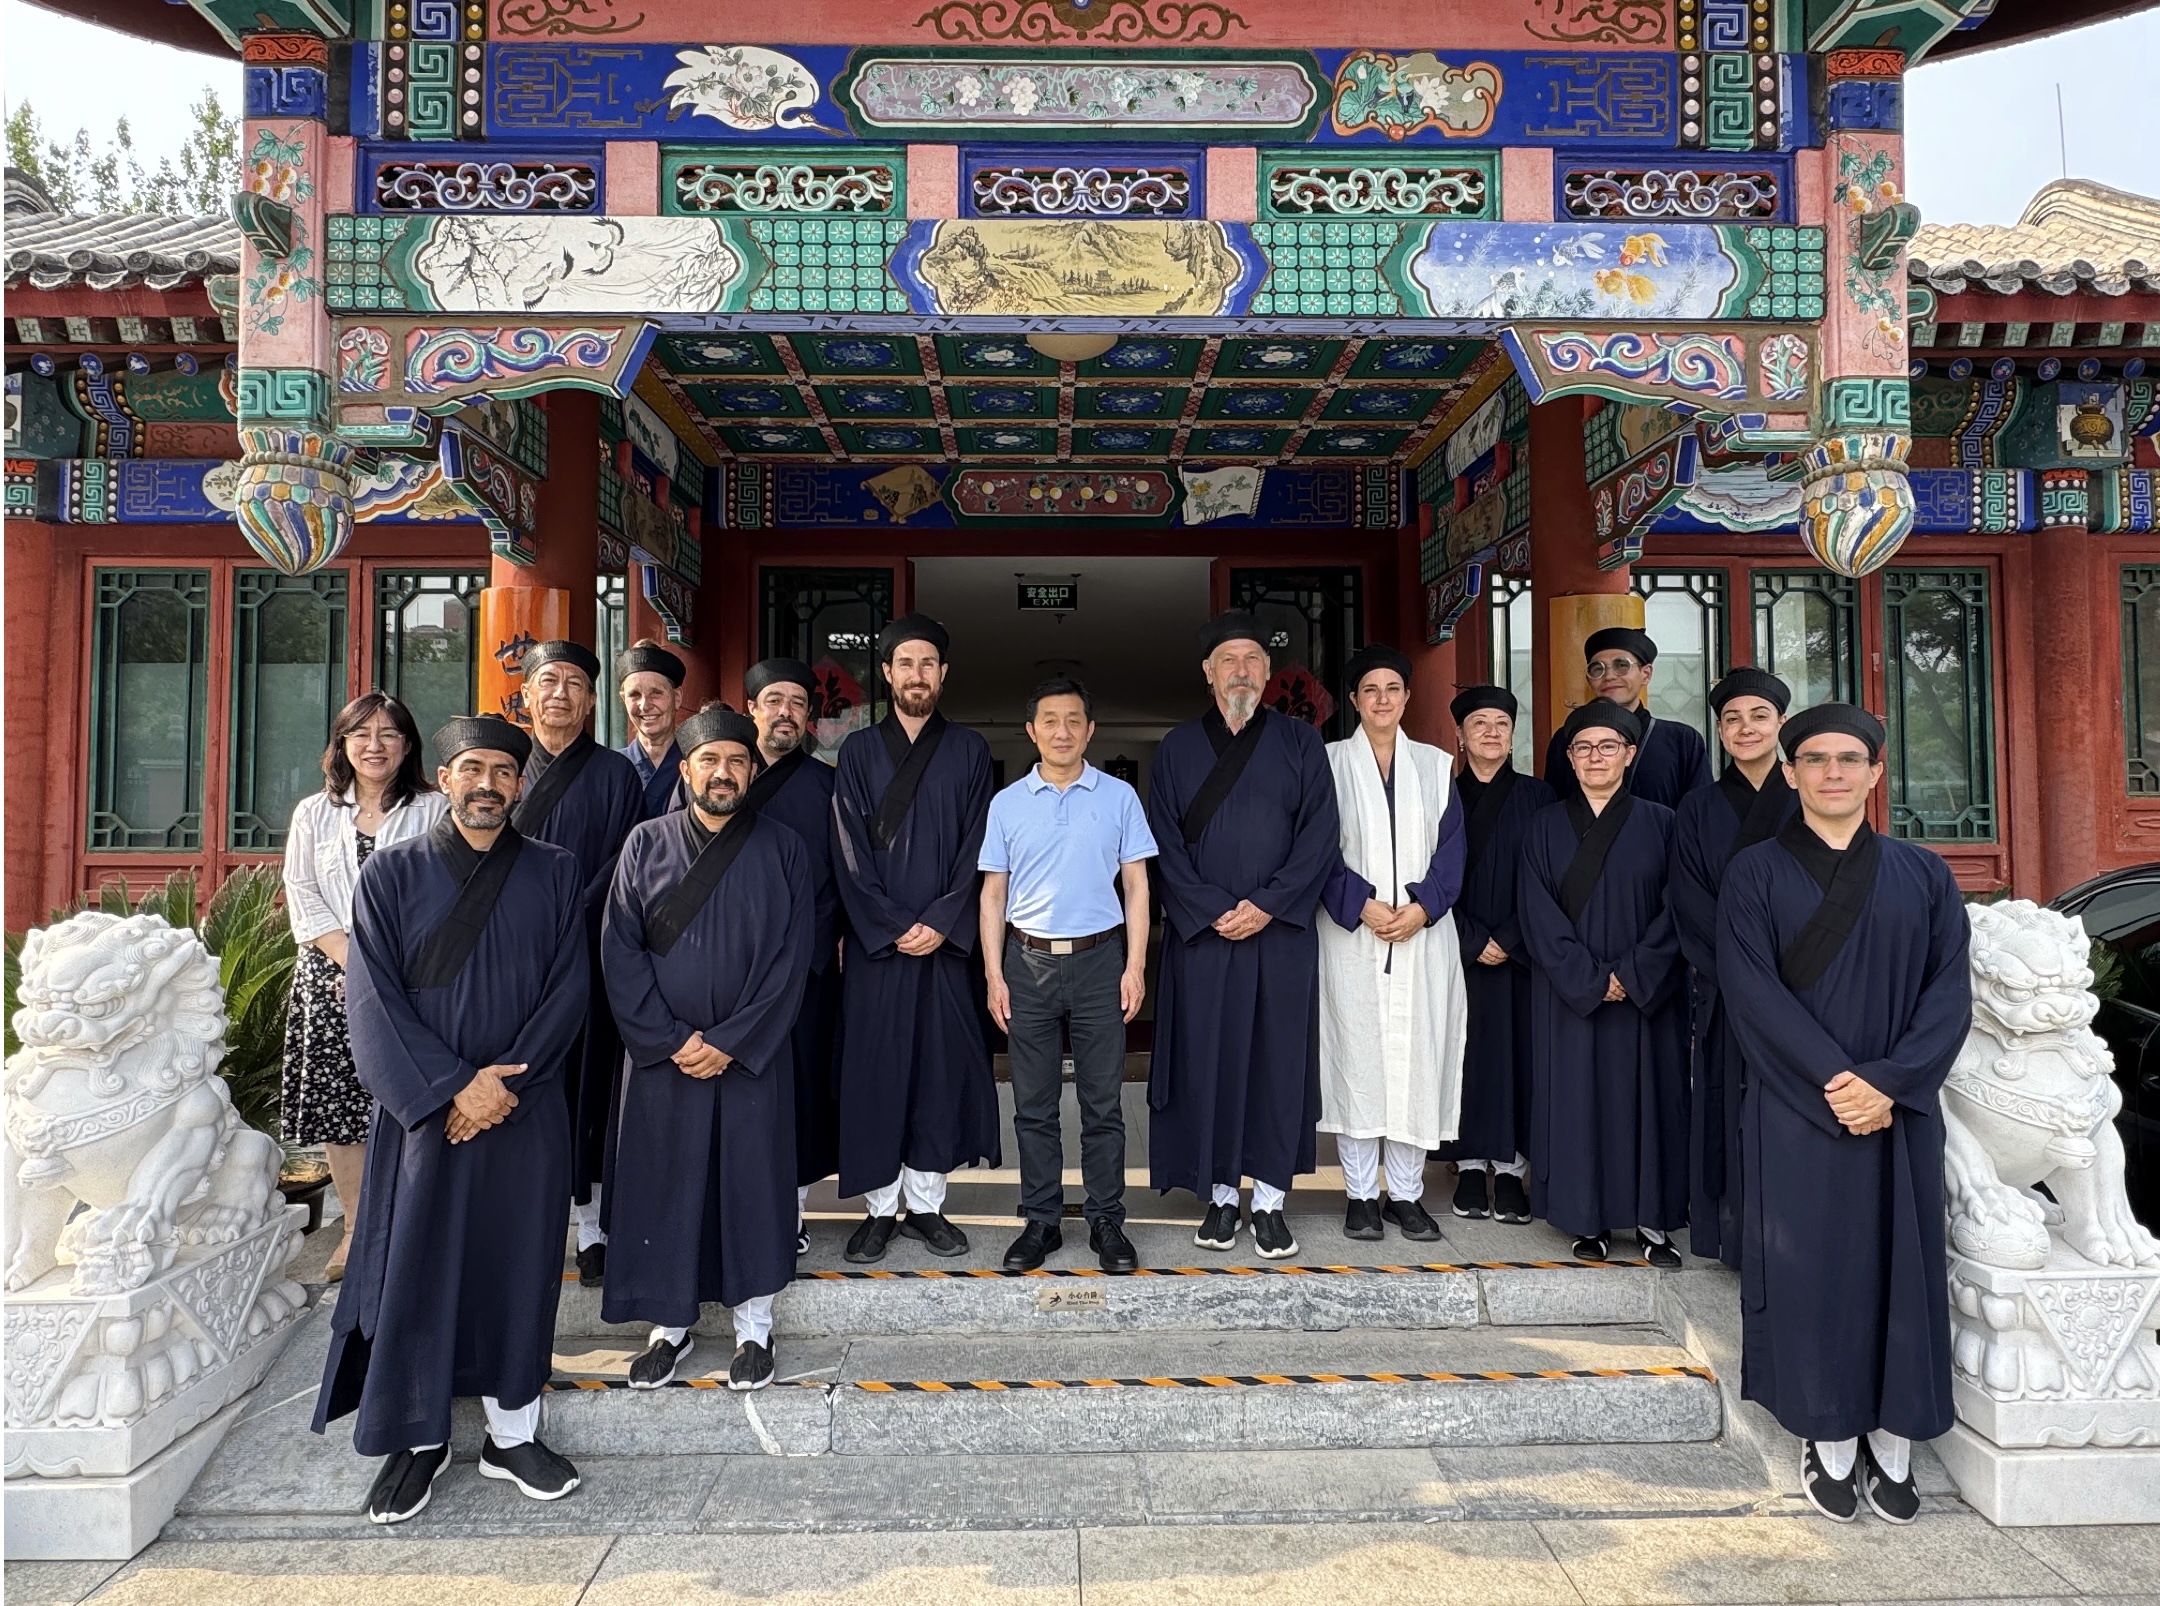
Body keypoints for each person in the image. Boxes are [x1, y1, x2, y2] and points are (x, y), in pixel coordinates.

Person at [315, 715, 588, 1524]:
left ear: (521, 783)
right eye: (473, 769)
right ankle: (417, 1438)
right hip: (425, 1117)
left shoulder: (556, 870)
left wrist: (499, 1089)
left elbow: (569, 991)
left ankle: (512, 1432)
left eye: (505, 772)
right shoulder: (393, 875)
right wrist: (448, 1091)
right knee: (418, 1265)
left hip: (522, 1109)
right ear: (444, 779)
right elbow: (374, 1004)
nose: (489, 785)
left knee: (518, 1263)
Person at [1718, 703, 1969, 1526]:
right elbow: (1751, 992)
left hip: (1898, 1111)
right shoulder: (1754, 872)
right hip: (1802, 1108)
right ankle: (1827, 1437)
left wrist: (1890, 1084)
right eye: (1814, 759)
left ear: (1875, 772)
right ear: (1788, 774)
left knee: (1903, 1271)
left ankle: (1895, 1438)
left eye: (1849, 759)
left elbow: (1947, 996)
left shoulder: (1924, 874)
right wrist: (1838, 1081)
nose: (1832, 772)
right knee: (1814, 1271)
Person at [601, 707, 814, 1393]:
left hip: (749, 1055)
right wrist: (670, 1040)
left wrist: (730, 1041)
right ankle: (670, 1324)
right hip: (664, 1058)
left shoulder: (783, 847)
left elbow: (792, 955)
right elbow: (620, 951)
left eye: (736, 761)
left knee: (751, 1185)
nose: (723, 773)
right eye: (710, 761)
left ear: (751, 771)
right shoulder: (643, 844)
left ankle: (755, 1327)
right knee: (667, 1184)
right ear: (686, 768)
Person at [1147, 611, 1339, 1259]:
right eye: (1228, 659)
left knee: (1276, 1067)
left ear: (1268, 672)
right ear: (1208, 673)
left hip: (1279, 937)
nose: (1241, 670)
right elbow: (1163, 846)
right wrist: (1208, 909)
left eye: (1253, 659)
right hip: (1203, 942)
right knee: (1211, 1064)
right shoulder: (1175, 749)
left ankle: (1273, 1202)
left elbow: (1319, 837)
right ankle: (1223, 1198)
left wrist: (1268, 904)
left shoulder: (1300, 744)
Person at [831, 613, 999, 1262]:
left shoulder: (968, 752)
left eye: (928, 664)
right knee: (876, 1073)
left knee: (936, 1073)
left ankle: (927, 1205)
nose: (917, 675)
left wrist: (942, 921)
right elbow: (846, 851)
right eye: (906, 663)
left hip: (943, 945)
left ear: (944, 674)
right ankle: (878, 1207)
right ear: (888, 673)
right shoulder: (856, 752)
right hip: (880, 948)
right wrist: (892, 925)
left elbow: (977, 847)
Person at [979, 677, 1157, 1273]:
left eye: (1074, 720)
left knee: (1103, 1103)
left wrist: (1135, 967)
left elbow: (1137, 886)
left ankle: (1107, 1220)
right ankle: (1041, 1221)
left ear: (1090, 730)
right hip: (1025, 965)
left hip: (1101, 959)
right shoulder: (1006, 804)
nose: (1062, 731)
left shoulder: (1118, 798)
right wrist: (993, 975)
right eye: (1049, 720)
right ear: (1031, 731)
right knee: (1033, 1104)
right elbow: (992, 894)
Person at [281, 693, 446, 1282]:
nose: (375, 745)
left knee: (407, 1095)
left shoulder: (434, 808)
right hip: (332, 973)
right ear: (342, 744)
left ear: (408, 745)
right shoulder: (314, 812)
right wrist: (355, 960)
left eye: (389, 734)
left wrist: (385, 964)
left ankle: (410, 1225)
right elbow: (302, 893)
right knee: (341, 1106)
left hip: (412, 972)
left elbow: (445, 891)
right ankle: (355, 1230)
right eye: (362, 734)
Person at [1517, 700, 1689, 1269]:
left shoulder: (1663, 823)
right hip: (1572, 994)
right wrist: (1588, 978)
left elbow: (1675, 912)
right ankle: (1584, 1220)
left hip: (1645, 995)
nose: (1595, 757)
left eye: (1607, 747)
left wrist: (1632, 974)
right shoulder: (1543, 825)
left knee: (1647, 1105)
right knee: (1577, 1104)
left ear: (1629, 754)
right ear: (1568, 757)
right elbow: (1536, 911)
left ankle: (1650, 1222)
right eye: (1584, 748)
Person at [1316, 645, 1467, 1242]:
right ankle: (1358, 1193)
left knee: (1414, 1061)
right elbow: (1316, 848)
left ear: (1407, 697)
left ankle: (1406, 1194)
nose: (1382, 699)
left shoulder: (1435, 765)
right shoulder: (1326, 763)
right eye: (1370, 689)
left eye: (1393, 689)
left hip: (1422, 934)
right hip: (1353, 934)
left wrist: (1425, 907)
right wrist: (1363, 905)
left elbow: (1453, 849)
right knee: (1357, 1058)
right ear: (1354, 700)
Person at [513, 640, 643, 1286]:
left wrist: (565, 921)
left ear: (591, 701)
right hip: (515, 967)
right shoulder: (506, 769)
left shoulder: (617, 776)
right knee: (524, 1090)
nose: (560, 693)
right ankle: (529, 1223)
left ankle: (593, 1227)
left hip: (590, 960)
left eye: (573, 684)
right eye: (548, 681)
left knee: (590, 1093)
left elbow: (624, 864)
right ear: (527, 696)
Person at [1668, 667, 1797, 1268]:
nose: (1744, 729)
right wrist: (1740, 976)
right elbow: (1689, 899)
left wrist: (1786, 974)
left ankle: (1792, 1239)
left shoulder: (1808, 797)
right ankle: (1733, 1236)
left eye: (1758, 717)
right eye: (1732, 719)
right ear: (1719, 732)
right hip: (1726, 989)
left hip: (1800, 988)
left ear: (1782, 725)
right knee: (1726, 1105)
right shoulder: (1697, 807)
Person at [1433, 686, 1552, 1226]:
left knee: (1519, 1057)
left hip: (1523, 953)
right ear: (1459, 735)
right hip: (1459, 953)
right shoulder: (1439, 796)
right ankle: (1470, 1165)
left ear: (1512, 735)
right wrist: (1473, 939)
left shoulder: (1541, 798)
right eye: (1478, 723)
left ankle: (1509, 1171)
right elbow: (1429, 880)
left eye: (1501, 723)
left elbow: (1553, 882)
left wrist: (1511, 937)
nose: (1490, 731)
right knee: (1464, 1056)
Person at [743, 658, 845, 1255]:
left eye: (798, 704)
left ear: (809, 718)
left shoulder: (827, 785)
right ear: (752, 707)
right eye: (774, 700)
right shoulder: (723, 774)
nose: (785, 712)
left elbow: (839, 877)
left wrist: (802, 950)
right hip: (728, 970)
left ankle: (794, 1212)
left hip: (803, 967)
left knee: (800, 1086)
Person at [1542, 627, 1711, 809]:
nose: (1609, 676)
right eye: (1597, 669)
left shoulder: (1682, 741)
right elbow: (1555, 811)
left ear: (1646, 674)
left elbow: (1700, 815)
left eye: (1621, 665)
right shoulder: (1567, 738)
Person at [617, 641, 687, 822]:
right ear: (623, 700)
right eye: (634, 695)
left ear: (677, 697)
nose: (645, 705)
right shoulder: (611, 767)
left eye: (656, 693)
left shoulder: (697, 764)